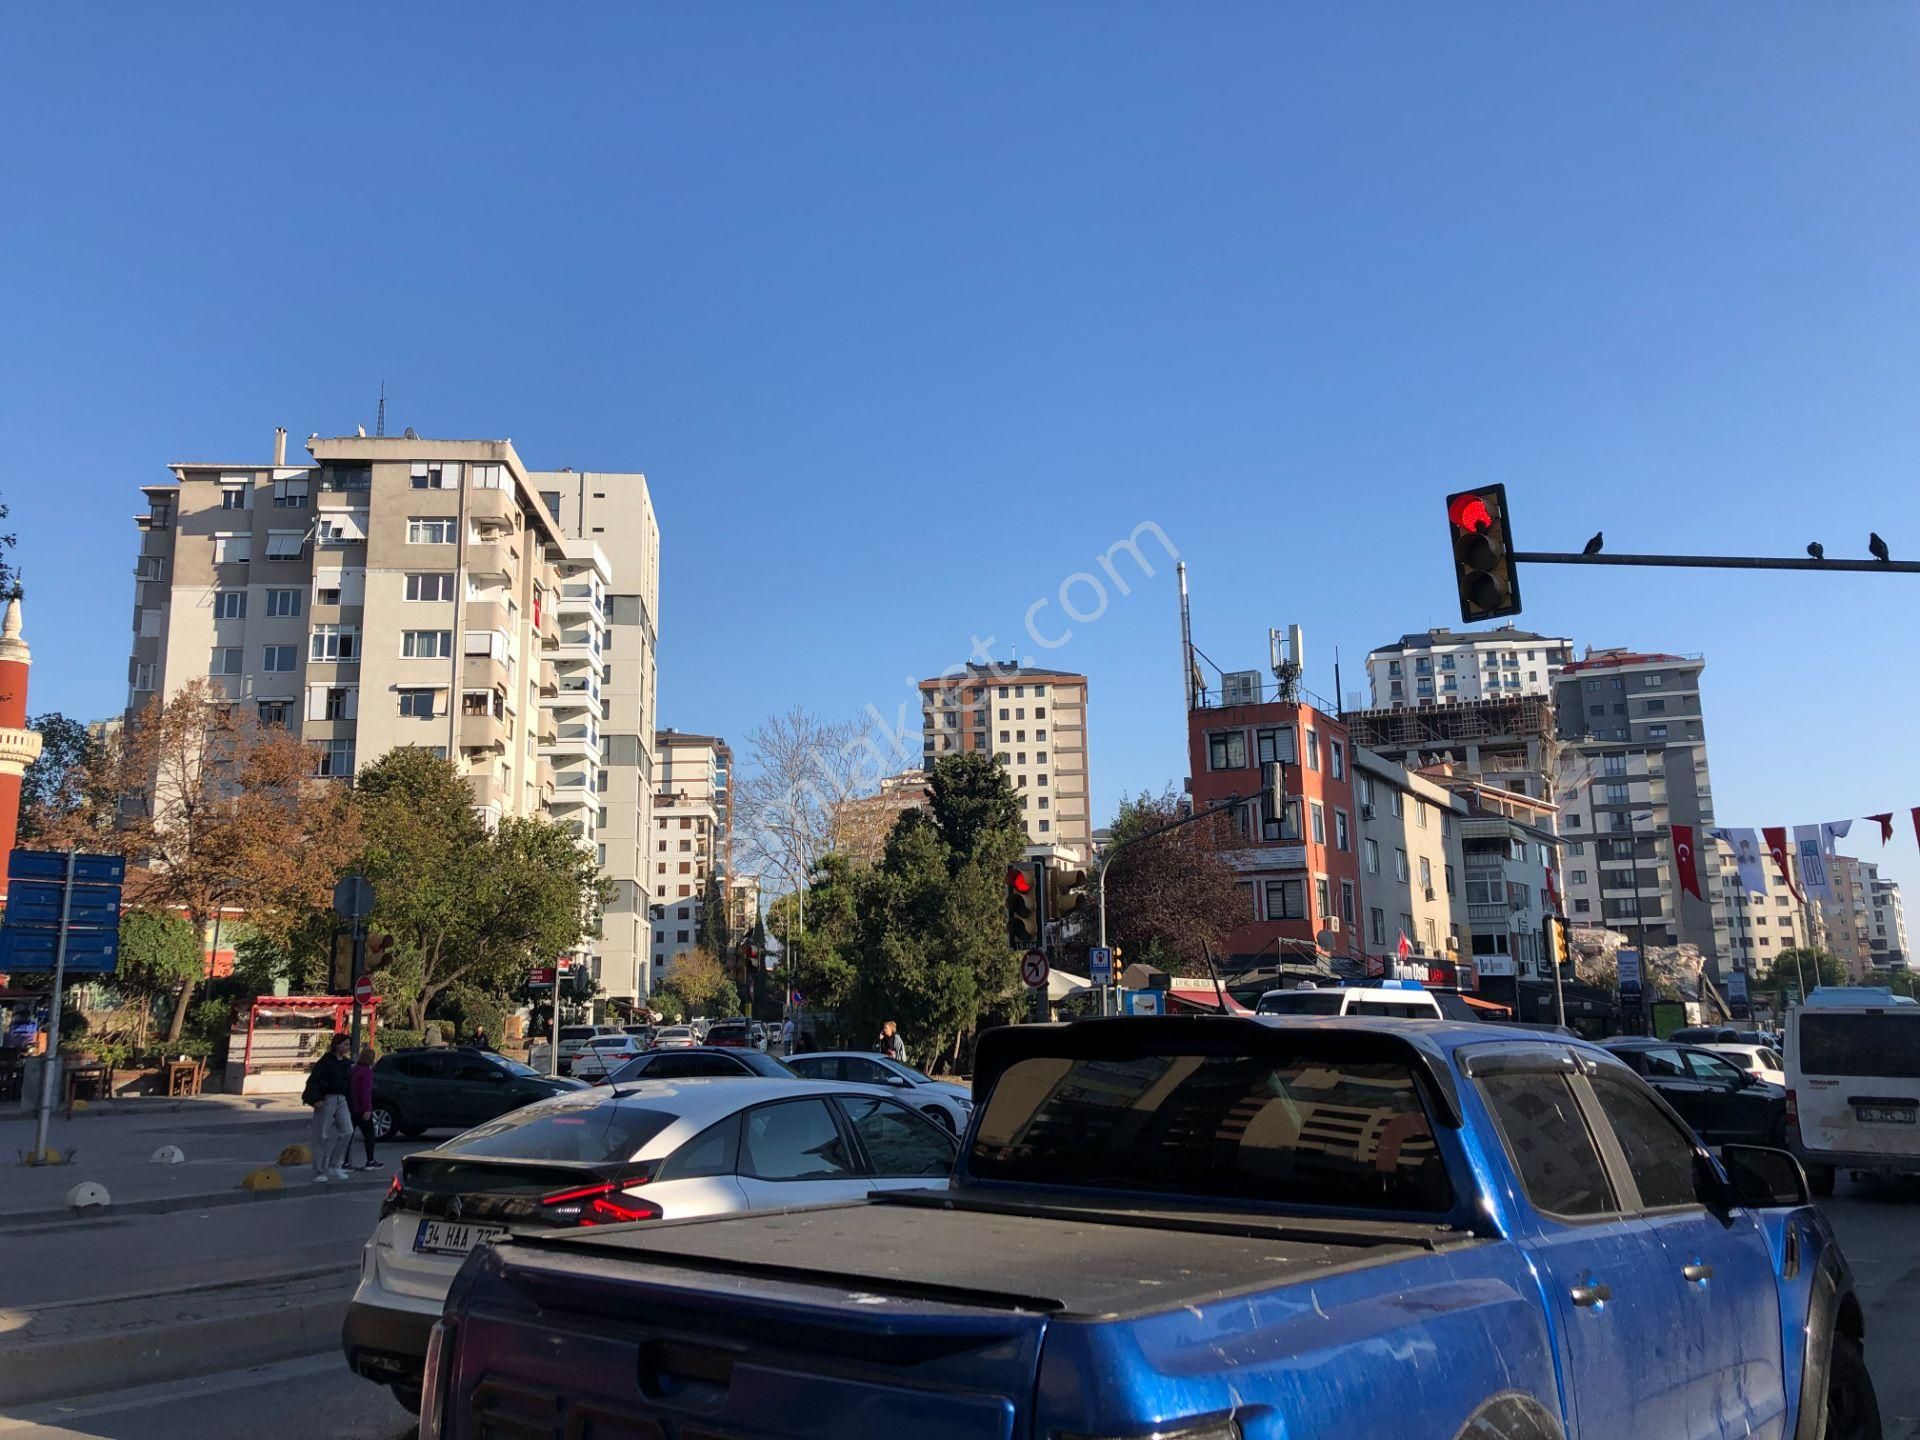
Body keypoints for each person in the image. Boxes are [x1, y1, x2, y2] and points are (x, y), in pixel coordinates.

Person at [302, 1034, 355, 1182]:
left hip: (342, 1099)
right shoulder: (325, 1062)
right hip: (326, 1099)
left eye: (348, 1045)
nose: (347, 1048)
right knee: (321, 1135)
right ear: (336, 1045)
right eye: (344, 1044)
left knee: (347, 1131)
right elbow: (313, 1081)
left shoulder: (346, 1063)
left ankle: (335, 1165)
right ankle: (319, 1171)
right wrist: (316, 1099)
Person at [350, 1045, 381, 1171]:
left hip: (351, 1107)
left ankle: (345, 1162)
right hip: (361, 1108)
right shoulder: (367, 1072)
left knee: (348, 1135)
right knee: (369, 1135)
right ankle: (370, 1160)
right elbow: (365, 1092)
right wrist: (367, 1108)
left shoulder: (354, 1070)